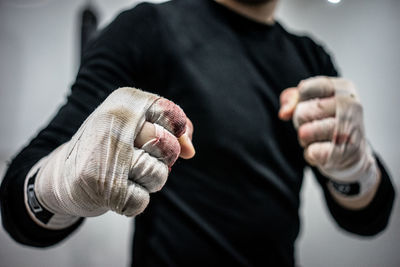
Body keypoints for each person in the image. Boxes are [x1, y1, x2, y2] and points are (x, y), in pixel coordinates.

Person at [0, 0, 395, 266]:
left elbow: (368, 219)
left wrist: (354, 170)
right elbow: (19, 203)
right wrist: (61, 182)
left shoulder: (311, 56)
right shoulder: (149, 28)